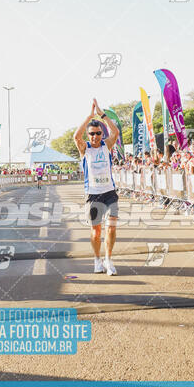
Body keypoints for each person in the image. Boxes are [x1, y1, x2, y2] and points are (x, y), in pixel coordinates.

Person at [74, 98, 120, 276]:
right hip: (93, 195)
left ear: (102, 134)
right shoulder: (85, 148)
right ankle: (97, 260)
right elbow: (75, 136)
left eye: (98, 133)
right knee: (96, 230)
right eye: (92, 133)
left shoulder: (106, 146)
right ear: (88, 135)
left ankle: (109, 260)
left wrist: (101, 114)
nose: (95, 137)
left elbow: (115, 132)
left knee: (111, 227)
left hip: (109, 193)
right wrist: (89, 117)